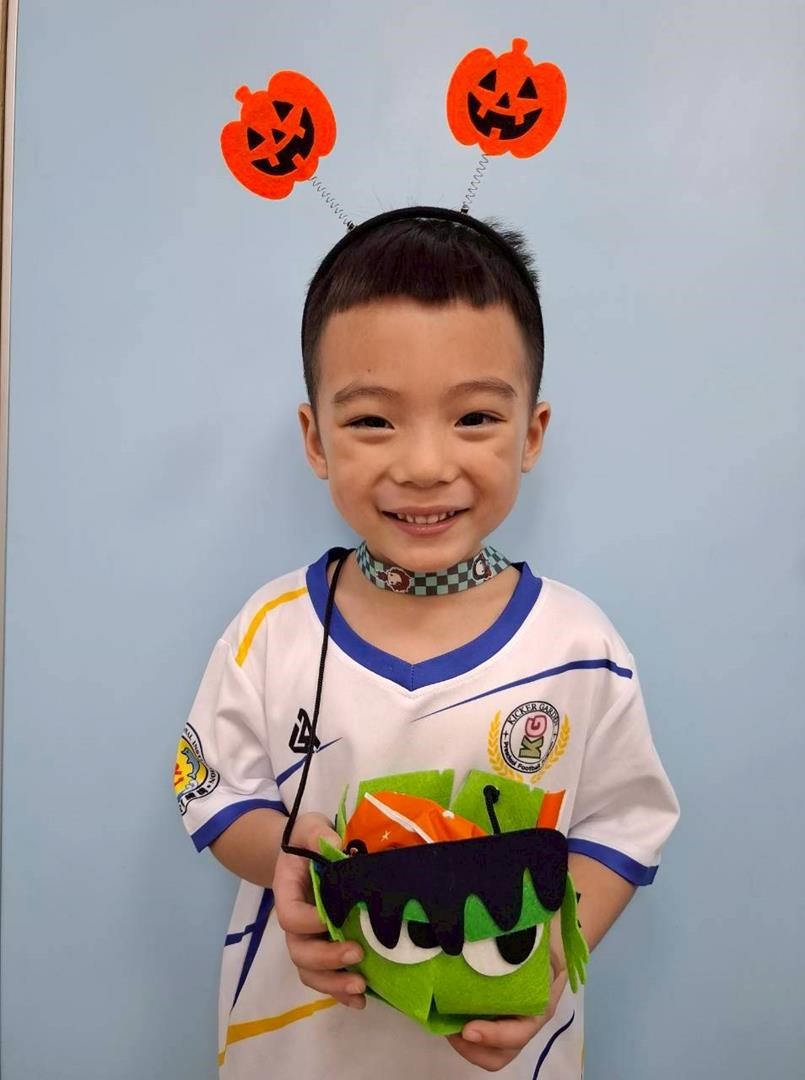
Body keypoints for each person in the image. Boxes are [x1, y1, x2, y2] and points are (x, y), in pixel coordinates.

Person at [174, 208, 679, 1078]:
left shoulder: (580, 647)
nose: (422, 465)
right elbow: (214, 791)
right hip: (298, 1052)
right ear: (315, 440)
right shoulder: (271, 629)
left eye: (474, 417)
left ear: (530, 434)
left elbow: (622, 829)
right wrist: (283, 854)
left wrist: (553, 964)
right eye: (373, 422)